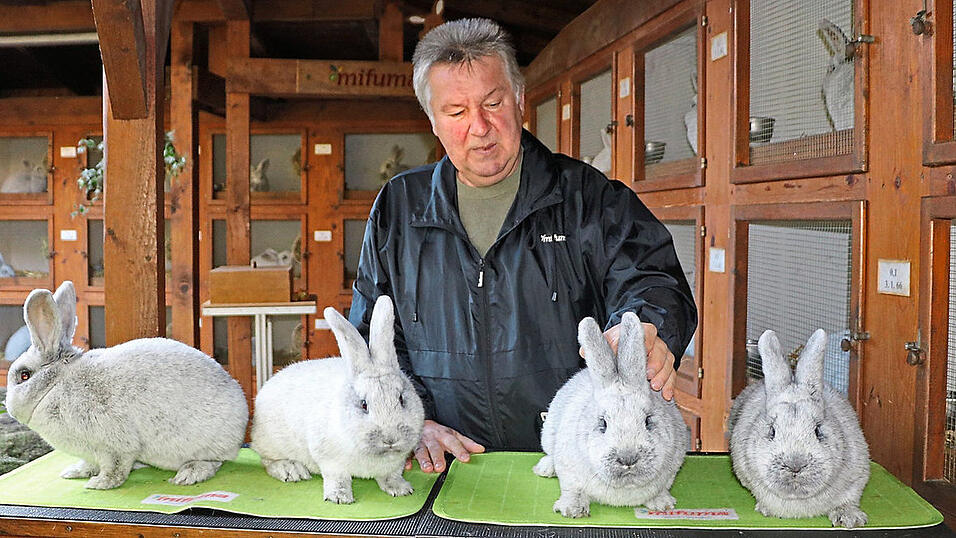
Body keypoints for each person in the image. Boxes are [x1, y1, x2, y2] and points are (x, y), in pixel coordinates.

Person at [349, 18, 697, 474]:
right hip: (445, 467)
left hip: (573, 462)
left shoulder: (586, 197)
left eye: (493, 103)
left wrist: (647, 326)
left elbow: (652, 278)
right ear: (432, 121)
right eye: (456, 112)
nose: (479, 126)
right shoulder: (399, 208)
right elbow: (370, 340)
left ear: (519, 100)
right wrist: (413, 425)